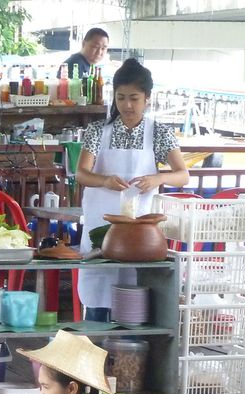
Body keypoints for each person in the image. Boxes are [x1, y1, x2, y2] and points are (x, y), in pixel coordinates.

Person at [75, 58, 190, 321]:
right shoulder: (97, 131)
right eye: (121, 97)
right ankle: (94, 345)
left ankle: (129, 350)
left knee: (133, 294)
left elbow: (183, 175)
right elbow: (81, 173)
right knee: (98, 285)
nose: (127, 105)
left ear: (147, 98)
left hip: (140, 232)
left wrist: (157, 178)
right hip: (99, 227)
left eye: (134, 98)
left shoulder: (159, 133)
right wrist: (104, 181)